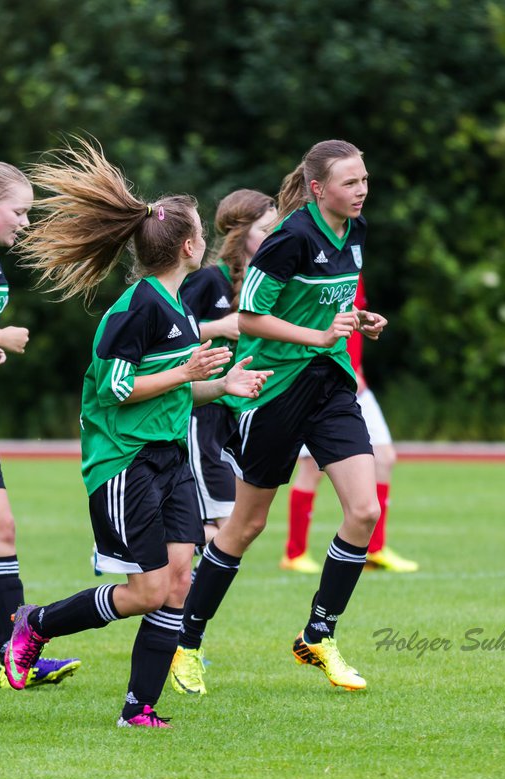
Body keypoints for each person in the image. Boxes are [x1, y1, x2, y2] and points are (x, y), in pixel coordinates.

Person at [2, 138, 269, 728]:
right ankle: (36, 624)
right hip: (124, 464)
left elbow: (173, 386)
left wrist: (221, 387)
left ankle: (138, 710)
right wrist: (188, 370)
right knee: (148, 591)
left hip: (171, 460)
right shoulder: (134, 308)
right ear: (191, 246)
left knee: (178, 582)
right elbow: (119, 388)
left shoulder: (173, 307)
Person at [169, 140, 386, 697]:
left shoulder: (355, 231)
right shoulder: (289, 239)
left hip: (329, 383)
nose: (361, 190)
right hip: (274, 391)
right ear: (318, 189)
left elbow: (322, 306)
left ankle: (318, 634)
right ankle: (186, 640)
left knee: (363, 510)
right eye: (350, 182)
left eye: (364, 180)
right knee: (246, 526)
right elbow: (250, 318)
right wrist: (316, 334)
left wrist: (355, 319)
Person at [280, 272, 419, 574]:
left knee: (384, 457)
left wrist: (359, 370)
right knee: (310, 469)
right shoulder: (318, 264)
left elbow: (353, 329)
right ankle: (294, 553)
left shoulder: (354, 265)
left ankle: (374, 550)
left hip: (355, 382)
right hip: (319, 381)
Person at [178, 189, 276, 542]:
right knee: (229, 526)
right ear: (241, 231)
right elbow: (169, 334)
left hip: (235, 415)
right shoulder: (209, 279)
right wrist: (219, 326)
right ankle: (152, 543)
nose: (274, 235)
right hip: (202, 413)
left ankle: (176, 579)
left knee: (232, 527)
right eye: (266, 228)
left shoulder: (264, 284)